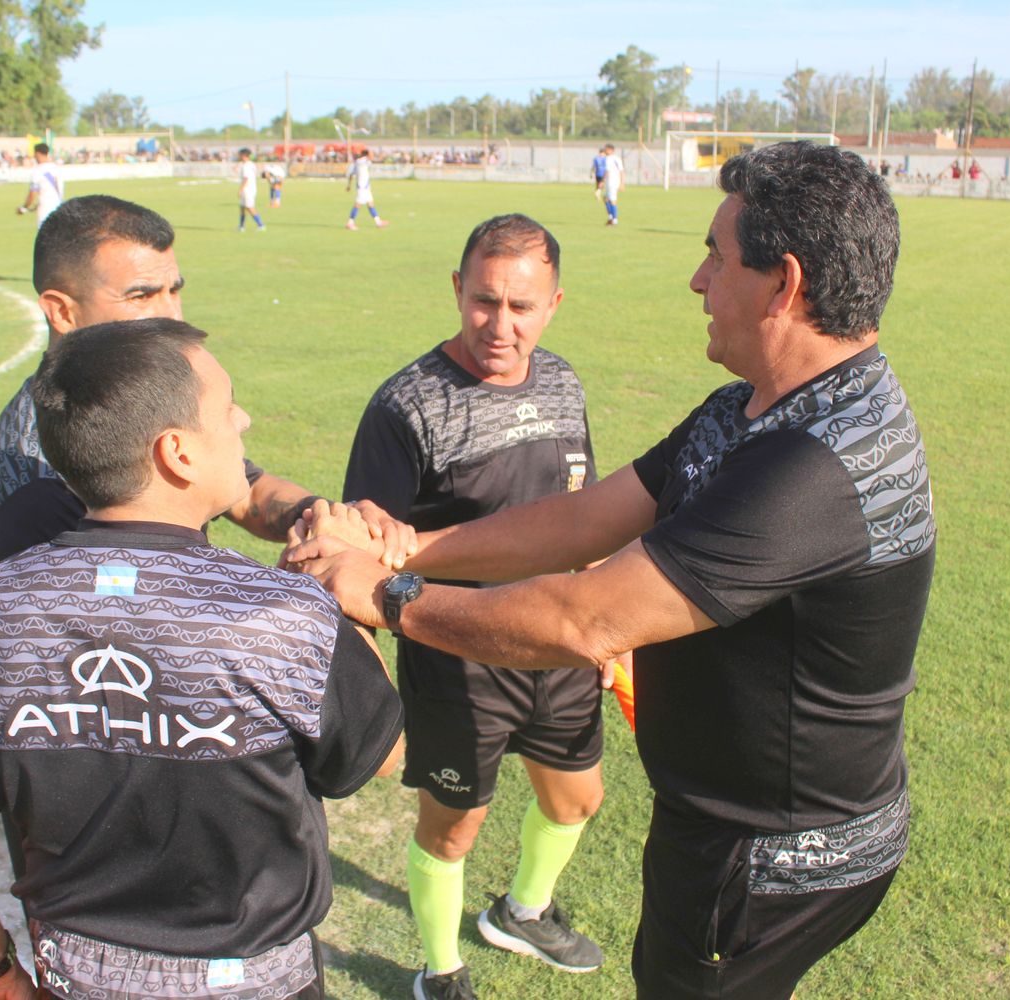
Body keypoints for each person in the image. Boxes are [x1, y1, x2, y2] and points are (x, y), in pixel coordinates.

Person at [290, 141, 936, 1000]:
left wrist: (382, 591)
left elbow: (584, 620)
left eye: (714, 254)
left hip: (767, 857)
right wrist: (406, 546)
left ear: (783, 284)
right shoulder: (752, 408)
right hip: (728, 823)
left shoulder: (813, 466)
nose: (699, 281)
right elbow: (586, 517)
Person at [0, 317, 405, 1000]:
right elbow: (381, 756)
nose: (244, 418)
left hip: (76, 979)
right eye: (226, 407)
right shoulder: (284, 615)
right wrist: (349, 605)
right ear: (177, 452)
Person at [342, 215, 607, 1000]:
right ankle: (440, 971)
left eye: (521, 308)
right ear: (457, 290)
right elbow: (367, 546)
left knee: (577, 797)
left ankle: (523, 912)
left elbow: (581, 509)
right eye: (484, 301)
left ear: (554, 303)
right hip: (459, 658)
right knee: (454, 826)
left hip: (556, 642)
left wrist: (604, 625)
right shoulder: (406, 405)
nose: (501, 325)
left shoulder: (562, 382)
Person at [0, 194, 415, 570]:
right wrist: (293, 598)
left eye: (174, 290)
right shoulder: (35, 491)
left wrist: (329, 518)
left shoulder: (133, 399)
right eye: (141, 295)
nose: (172, 316)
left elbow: (246, 489)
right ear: (62, 310)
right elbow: (117, 640)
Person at [17, 142, 64, 227]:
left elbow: (32, 194)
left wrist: (24, 208)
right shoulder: (56, 168)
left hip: (45, 210)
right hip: (59, 208)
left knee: (45, 237)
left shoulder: (38, 171)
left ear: (38, 153)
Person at [345, 147, 389, 230]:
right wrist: (381, 157)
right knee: (357, 205)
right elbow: (374, 159)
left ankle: (378, 222)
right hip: (363, 188)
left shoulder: (358, 162)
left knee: (370, 204)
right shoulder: (363, 161)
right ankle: (350, 223)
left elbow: (351, 175)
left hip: (365, 187)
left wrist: (349, 186)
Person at [236, 148, 266, 232]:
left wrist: (240, 189)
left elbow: (246, 178)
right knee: (242, 207)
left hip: (247, 189)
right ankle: (241, 226)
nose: (238, 156)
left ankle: (261, 225)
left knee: (249, 207)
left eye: (240, 155)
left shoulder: (246, 166)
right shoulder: (251, 164)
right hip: (250, 188)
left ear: (243, 155)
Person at [602, 144, 625, 226]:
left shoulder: (609, 159)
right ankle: (611, 217)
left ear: (610, 150)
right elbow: (622, 171)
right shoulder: (618, 158)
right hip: (615, 181)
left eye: (606, 149)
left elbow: (607, 171)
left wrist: (602, 181)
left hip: (611, 181)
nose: (604, 150)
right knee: (605, 198)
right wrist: (622, 183)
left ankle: (614, 219)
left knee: (612, 200)